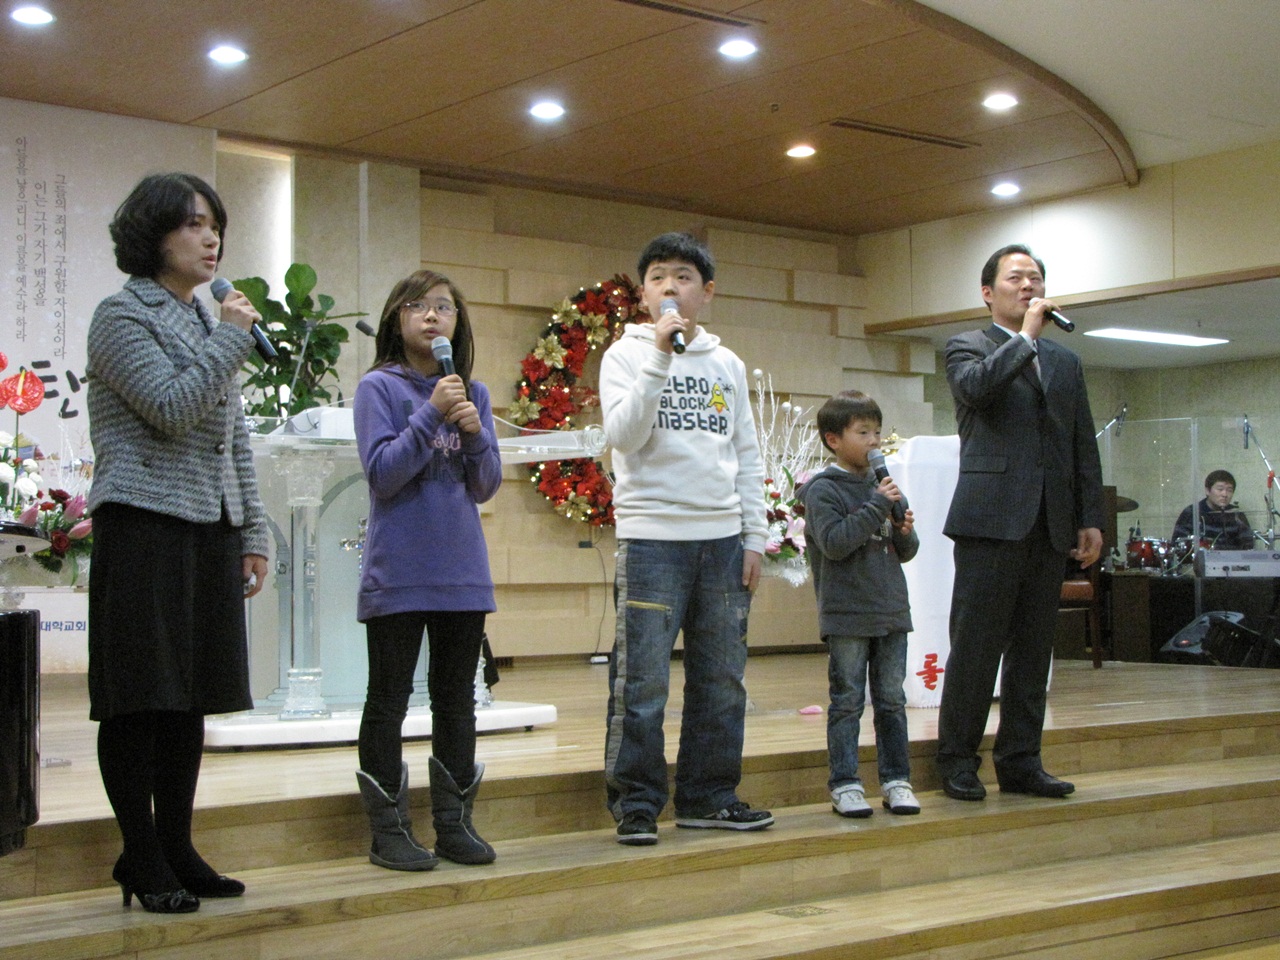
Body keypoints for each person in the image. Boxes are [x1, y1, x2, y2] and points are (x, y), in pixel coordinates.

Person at [86, 172, 269, 913]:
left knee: (188, 698)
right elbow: (170, 407)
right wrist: (229, 339)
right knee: (139, 696)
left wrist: (252, 529)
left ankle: (177, 845)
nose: (210, 236)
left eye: (214, 223)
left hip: (207, 526)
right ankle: (139, 851)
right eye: (192, 223)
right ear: (152, 233)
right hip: (143, 524)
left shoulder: (205, 322)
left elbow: (234, 440)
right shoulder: (121, 315)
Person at [600, 231, 772, 845]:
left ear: (707, 292)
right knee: (642, 681)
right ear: (644, 294)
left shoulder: (727, 365)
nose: (669, 286)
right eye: (657, 278)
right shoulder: (624, 356)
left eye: (683, 276)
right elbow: (624, 435)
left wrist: (755, 535)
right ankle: (637, 803)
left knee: (722, 680)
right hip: (652, 540)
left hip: (723, 541)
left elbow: (746, 452)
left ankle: (708, 797)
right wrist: (659, 357)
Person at [936, 244, 1104, 802]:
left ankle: (1021, 761)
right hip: (990, 520)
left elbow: (1080, 442)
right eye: (1016, 278)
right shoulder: (966, 346)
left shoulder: (1066, 362)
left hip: (1050, 522)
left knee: (1033, 651)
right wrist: (1025, 338)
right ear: (988, 293)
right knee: (977, 646)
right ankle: (957, 760)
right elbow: (977, 390)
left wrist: (1090, 516)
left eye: (1036, 277)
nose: (1028, 285)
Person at [353, 269, 502, 869]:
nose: (432, 315)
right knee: (388, 700)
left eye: (444, 306)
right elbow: (384, 475)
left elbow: (485, 485)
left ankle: (454, 825)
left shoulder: (474, 393)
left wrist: (474, 434)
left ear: (458, 323)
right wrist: (431, 414)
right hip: (399, 570)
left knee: (456, 702)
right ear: (398, 318)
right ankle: (388, 832)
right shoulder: (378, 388)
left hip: (462, 571)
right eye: (418, 305)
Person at [799, 390, 921, 818]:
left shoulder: (881, 487)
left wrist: (904, 530)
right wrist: (877, 505)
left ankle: (896, 780)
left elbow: (907, 551)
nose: (874, 441)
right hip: (848, 614)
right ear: (833, 439)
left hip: (891, 610)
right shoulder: (822, 490)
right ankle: (845, 784)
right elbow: (835, 543)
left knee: (891, 701)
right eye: (863, 432)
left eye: (877, 432)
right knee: (848, 701)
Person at [1172, 470, 1254, 550]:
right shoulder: (1192, 512)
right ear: (1207, 491)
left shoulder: (1236, 514)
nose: (1225, 494)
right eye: (1220, 489)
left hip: (1232, 559)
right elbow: (1178, 545)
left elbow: (1248, 546)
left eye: (1229, 490)